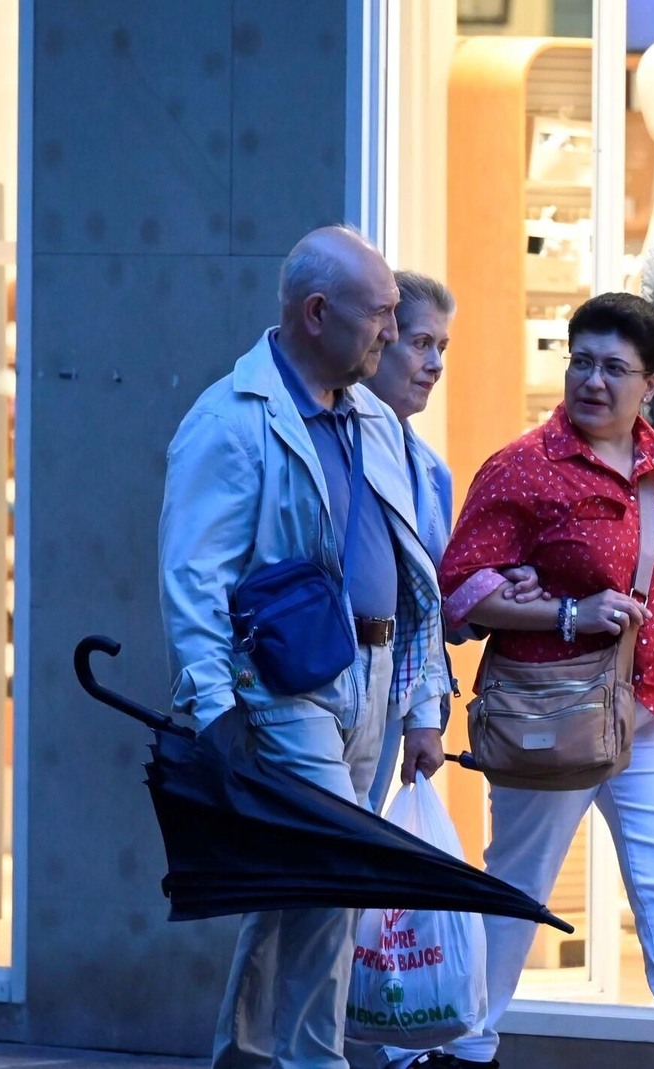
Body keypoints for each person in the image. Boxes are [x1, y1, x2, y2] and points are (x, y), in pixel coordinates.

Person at [426, 293, 654, 1069]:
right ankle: (467, 1047)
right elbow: (458, 590)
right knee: (518, 884)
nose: (593, 380)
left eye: (614, 368)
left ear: (651, 382)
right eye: (581, 361)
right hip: (549, 708)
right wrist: (565, 611)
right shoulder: (522, 467)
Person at [161, 227, 467, 1069]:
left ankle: (245, 1051)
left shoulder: (372, 415)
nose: (390, 334)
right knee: (337, 873)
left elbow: (413, 572)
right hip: (284, 685)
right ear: (317, 313)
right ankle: (312, 1060)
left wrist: (423, 702)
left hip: (372, 677)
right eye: (381, 316)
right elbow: (193, 576)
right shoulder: (231, 421)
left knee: (295, 879)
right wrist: (213, 705)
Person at [357, 270, 543, 815]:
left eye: (442, 347)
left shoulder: (430, 470)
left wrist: (503, 585)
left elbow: (441, 606)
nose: (436, 364)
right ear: (379, 340)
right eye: (421, 344)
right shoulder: (326, 438)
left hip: (394, 693)